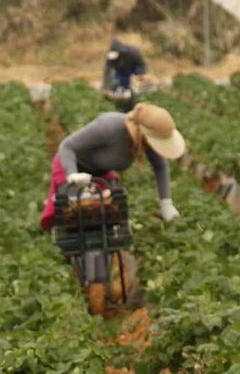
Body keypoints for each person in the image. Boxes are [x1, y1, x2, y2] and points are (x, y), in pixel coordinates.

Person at [39, 101, 186, 233]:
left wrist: (166, 203)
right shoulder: (109, 126)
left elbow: (160, 167)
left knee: (109, 215)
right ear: (143, 132)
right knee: (72, 217)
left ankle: (102, 257)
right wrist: (72, 174)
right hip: (70, 167)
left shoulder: (146, 142)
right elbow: (67, 146)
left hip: (100, 174)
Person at [101, 38, 148, 110]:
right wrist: (105, 86)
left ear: (120, 52)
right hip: (121, 72)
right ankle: (120, 104)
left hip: (134, 69)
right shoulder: (110, 58)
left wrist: (140, 74)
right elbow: (107, 71)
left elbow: (141, 63)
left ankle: (134, 103)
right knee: (119, 87)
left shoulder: (132, 52)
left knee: (134, 89)